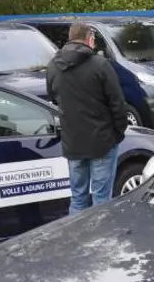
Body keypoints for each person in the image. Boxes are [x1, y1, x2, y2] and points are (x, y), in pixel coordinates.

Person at [46, 23, 127, 214]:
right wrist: (118, 133)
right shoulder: (100, 65)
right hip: (102, 142)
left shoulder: (53, 67)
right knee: (101, 199)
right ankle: (101, 239)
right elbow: (118, 103)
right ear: (89, 39)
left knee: (78, 198)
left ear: (70, 38)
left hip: (73, 142)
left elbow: (53, 97)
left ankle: (78, 239)